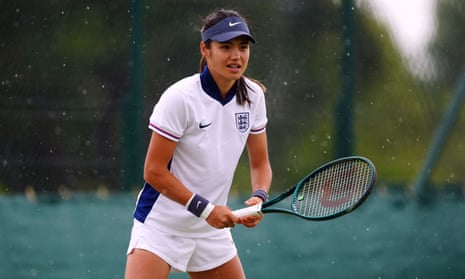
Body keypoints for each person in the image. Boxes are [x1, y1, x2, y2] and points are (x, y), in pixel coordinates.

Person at [124, 8, 272, 279]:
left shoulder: (254, 97)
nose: (236, 56)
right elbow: (154, 172)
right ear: (205, 49)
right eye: (225, 47)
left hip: (211, 233)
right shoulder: (180, 98)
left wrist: (258, 197)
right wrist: (206, 210)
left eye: (242, 47)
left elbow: (260, 163)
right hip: (161, 226)